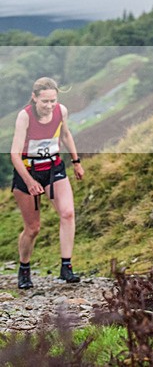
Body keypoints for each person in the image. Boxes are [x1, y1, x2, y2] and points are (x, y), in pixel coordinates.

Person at [10, 77, 84, 289]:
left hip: (53, 169)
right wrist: (30, 181)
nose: (50, 106)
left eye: (53, 101)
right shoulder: (24, 116)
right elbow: (14, 155)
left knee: (68, 213)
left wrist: (76, 162)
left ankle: (66, 268)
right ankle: (24, 269)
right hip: (28, 171)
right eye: (45, 102)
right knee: (33, 228)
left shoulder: (61, 111)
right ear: (34, 98)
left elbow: (67, 134)